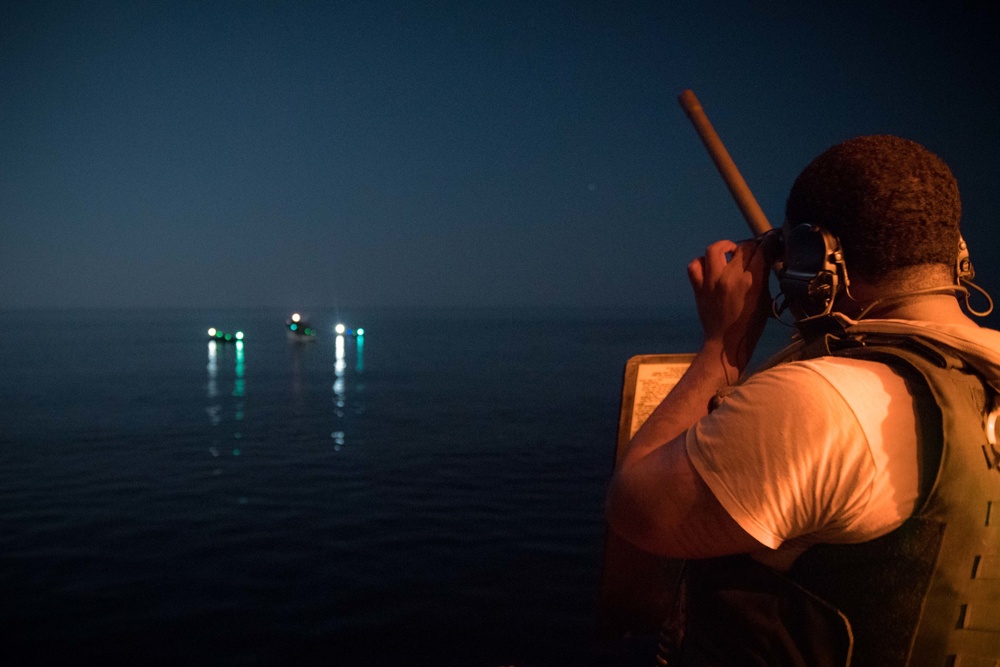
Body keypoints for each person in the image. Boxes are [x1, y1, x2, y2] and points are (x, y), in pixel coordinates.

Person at [605, 135, 1000, 666]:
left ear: (816, 255)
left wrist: (723, 347)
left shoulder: (819, 404)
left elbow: (636, 510)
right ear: (955, 252)